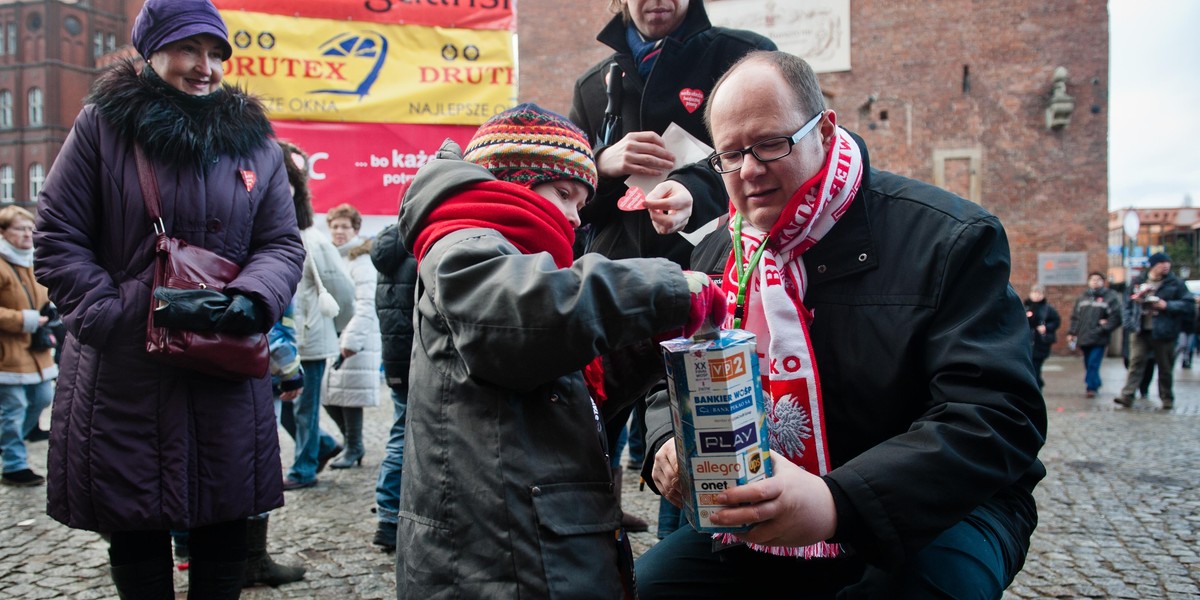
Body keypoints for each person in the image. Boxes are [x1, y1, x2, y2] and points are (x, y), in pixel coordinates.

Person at [635, 51, 1048, 598]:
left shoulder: (950, 238)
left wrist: (838, 501)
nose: (749, 170)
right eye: (731, 155)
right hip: (766, 509)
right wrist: (667, 437)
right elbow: (665, 372)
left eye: (770, 144)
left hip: (940, 510)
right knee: (647, 588)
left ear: (825, 132)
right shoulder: (716, 252)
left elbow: (997, 417)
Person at [393, 103, 725, 598]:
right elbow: (516, 316)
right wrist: (670, 289)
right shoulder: (464, 243)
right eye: (565, 193)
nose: (574, 216)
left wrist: (645, 342)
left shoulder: (502, 252)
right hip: (499, 561)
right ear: (515, 182)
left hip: (525, 542)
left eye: (581, 200)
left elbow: (565, 384)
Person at [32, 0, 306, 596]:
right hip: (126, 368)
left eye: (214, 53)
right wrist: (114, 315)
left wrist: (253, 301)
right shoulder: (102, 128)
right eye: (188, 49)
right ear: (151, 53)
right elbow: (57, 236)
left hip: (225, 360)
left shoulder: (256, 143)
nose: (204, 67)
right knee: (134, 521)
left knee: (229, 519)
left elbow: (281, 242)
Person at [570, 0, 776, 534]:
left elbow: (767, 152)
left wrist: (694, 190)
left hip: (704, 271)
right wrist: (602, 163)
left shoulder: (740, 56)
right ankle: (595, 527)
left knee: (691, 419)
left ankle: (683, 538)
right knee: (592, 423)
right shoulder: (596, 82)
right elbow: (573, 201)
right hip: (616, 282)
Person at [276, 140, 357, 490]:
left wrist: (333, 329)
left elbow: (343, 293)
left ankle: (304, 470)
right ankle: (323, 446)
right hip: (283, 341)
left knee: (303, 410)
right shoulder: (276, 235)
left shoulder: (314, 240)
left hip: (308, 339)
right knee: (287, 411)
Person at [368, 222, 417, 552]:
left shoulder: (389, 245)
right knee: (407, 435)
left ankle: (388, 517)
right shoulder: (419, 244)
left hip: (395, 357)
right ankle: (390, 518)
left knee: (400, 432)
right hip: (417, 356)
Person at [321, 203, 381, 469]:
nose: (339, 231)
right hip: (333, 334)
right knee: (327, 394)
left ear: (355, 229)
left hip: (356, 337)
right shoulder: (334, 255)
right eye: (335, 227)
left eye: (344, 227)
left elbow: (366, 302)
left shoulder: (360, 259)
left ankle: (354, 445)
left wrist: (351, 340)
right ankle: (351, 444)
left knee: (348, 395)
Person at [0, 206, 57, 487]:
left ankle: (6, 444)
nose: (26, 234)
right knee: (15, 406)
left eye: (28, 229)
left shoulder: (34, 260)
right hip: (7, 351)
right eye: (19, 229)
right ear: (3, 232)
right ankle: (14, 463)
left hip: (36, 349)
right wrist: (25, 319)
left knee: (42, 398)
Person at [1114, 252, 1191, 411]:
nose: (1166, 266)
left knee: (1165, 367)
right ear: (1153, 265)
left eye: (1167, 262)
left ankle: (1167, 398)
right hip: (1140, 329)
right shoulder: (1138, 281)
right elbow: (1127, 304)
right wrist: (1129, 322)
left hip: (1164, 331)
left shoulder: (1175, 283)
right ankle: (1127, 396)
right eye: (1162, 263)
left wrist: (1166, 305)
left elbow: (1188, 304)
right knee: (1135, 363)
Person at [1066, 271, 1123, 397]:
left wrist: (1105, 326)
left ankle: (1091, 388)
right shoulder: (1083, 297)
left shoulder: (1110, 297)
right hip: (1084, 336)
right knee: (1088, 363)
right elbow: (1075, 317)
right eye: (1092, 279)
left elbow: (1116, 317)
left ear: (1103, 282)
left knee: (1093, 363)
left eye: (1098, 279)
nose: (1095, 281)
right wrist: (1072, 332)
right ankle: (1095, 383)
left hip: (1099, 337)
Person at [1024, 283, 1061, 389]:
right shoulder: (1025, 307)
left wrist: (1046, 327)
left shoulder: (1048, 309)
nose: (1036, 295)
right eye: (1034, 293)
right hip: (1027, 342)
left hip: (1041, 342)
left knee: (1036, 367)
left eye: (1039, 293)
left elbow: (1056, 321)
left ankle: (1036, 386)